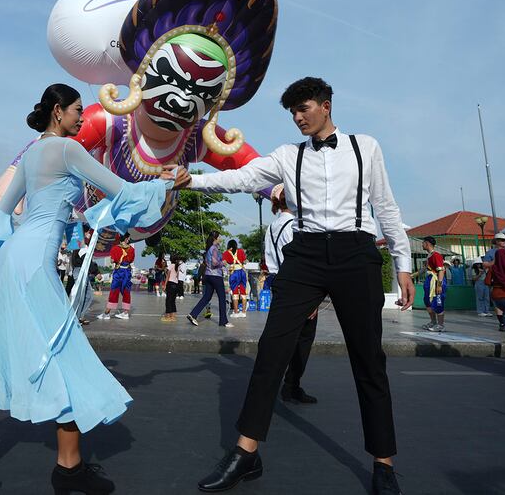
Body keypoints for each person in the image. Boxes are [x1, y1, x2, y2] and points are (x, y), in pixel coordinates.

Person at [0, 84, 174, 495]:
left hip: (12, 259)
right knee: (62, 352)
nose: (82, 118)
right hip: (33, 265)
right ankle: (69, 467)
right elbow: (122, 191)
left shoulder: (31, 153)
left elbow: (1, 214)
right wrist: (168, 183)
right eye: (77, 110)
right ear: (58, 112)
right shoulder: (68, 150)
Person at [173, 77, 413, 494]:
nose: (298, 118)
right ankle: (247, 454)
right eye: (293, 112)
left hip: (356, 252)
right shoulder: (287, 156)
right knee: (271, 350)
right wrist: (191, 180)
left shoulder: (366, 147)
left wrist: (403, 262)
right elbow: (242, 178)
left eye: (303, 109)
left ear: (326, 105)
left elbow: (386, 206)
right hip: (304, 255)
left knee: (368, 359)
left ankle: (383, 463)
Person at [264, 184, 318, 404]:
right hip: (297, 285)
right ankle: (291, 385)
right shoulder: (294, 227)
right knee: (302, 339)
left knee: (281, 337)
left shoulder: (272, 226)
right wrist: (311, 299)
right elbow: (299, 263)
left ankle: (271, 385)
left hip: (277, 281)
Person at [186, 231, 231, 328]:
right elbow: (215, 263)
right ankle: (223, 321)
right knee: (222, 298)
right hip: (216, 276)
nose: (221, 238)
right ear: (215, 238)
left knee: (207, 297)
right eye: (219, 237)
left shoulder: (209, 249)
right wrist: (223, 263)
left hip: (208, 275)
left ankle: (193, 314)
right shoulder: (214, 249)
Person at [96, 233, 134, 321]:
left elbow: (112, 260)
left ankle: (107, 313)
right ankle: (125, 313)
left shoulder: (115, 248)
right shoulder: (131, 249)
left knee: (114, 291)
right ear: (126, 239)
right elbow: (131, 260)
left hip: (118, 272)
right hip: (127, 272)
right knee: (126, 291)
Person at [420, 236, 446, 332]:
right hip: (429, 281)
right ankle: (433, 322)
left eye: (423, 243)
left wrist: (439, 285)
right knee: (427, 302)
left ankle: (441, 325)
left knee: (438, 302)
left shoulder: (436, 255)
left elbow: (441, 271)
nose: (422, 245)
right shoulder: (429, 256)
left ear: (427, 243)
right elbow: (424, 269)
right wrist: (411, 276)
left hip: (436, 281)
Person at [483, 234, 505, 330]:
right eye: (502, 240)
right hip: (496, 279)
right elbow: (485, 264)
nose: (504, 242)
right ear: (497, 241)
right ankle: (502, 323)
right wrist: (495, 261)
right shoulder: (490, 252)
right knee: (498, 302)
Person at [224, 240, 248, 317]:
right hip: (242, 272)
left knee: (235, 292)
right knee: (243, 291)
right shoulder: (240, 251)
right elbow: (245, 261)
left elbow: (224, 263)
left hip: (234, 273)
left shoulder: (226, 253)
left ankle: (236, 312)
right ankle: (243, 312)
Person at [162, 255, 180, 322]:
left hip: (170, 283)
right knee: (172, 300)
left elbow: (168, 276)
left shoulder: (171, 265)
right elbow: (177, 277)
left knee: (168, 300)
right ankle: (173, 315)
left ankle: (168, 316)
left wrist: (165, 285)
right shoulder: (177, 266)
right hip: (175, 284)